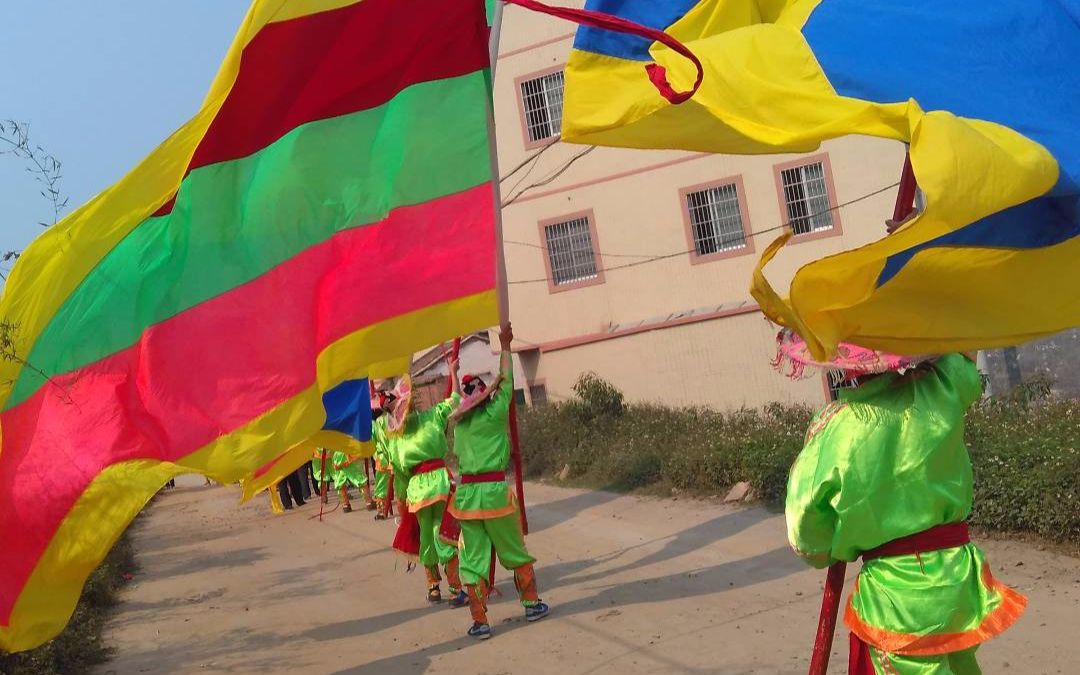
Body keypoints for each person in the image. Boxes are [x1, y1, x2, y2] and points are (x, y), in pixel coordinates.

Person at [780, 331, 1026, 674]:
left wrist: (836, 546)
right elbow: (966, 353)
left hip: (898, 595)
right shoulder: (938, 389)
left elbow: (806, 535)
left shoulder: (834, 428)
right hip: (956, 577)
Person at [449, 323, 549, 640]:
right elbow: (505, 382)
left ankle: (480, 622)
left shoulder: (459, 425)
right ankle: (531, 604)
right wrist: (505, 344)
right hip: (493, 494)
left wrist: (453, 373)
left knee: (473, 559)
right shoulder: (493, 416)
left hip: (466, 498)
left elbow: (453, 400)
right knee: (513, 551)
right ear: (484, 396)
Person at [385, 370, 464, 605]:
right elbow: (455, 400)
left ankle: (434, 587)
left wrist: (401, 499)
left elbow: (400, 471)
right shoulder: (432, 416)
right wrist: (453, 373)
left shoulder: (396, 438)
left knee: (428, 535)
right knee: (443, 533)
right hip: (437, 482)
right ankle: (455, 588)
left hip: (419, 488)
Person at [371, 391, 394, 520]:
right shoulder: (396, 417)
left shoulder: (376, 423)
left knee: (381, 485)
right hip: (398, 455)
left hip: (382, 457)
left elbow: (372, 441)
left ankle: (381, 510)